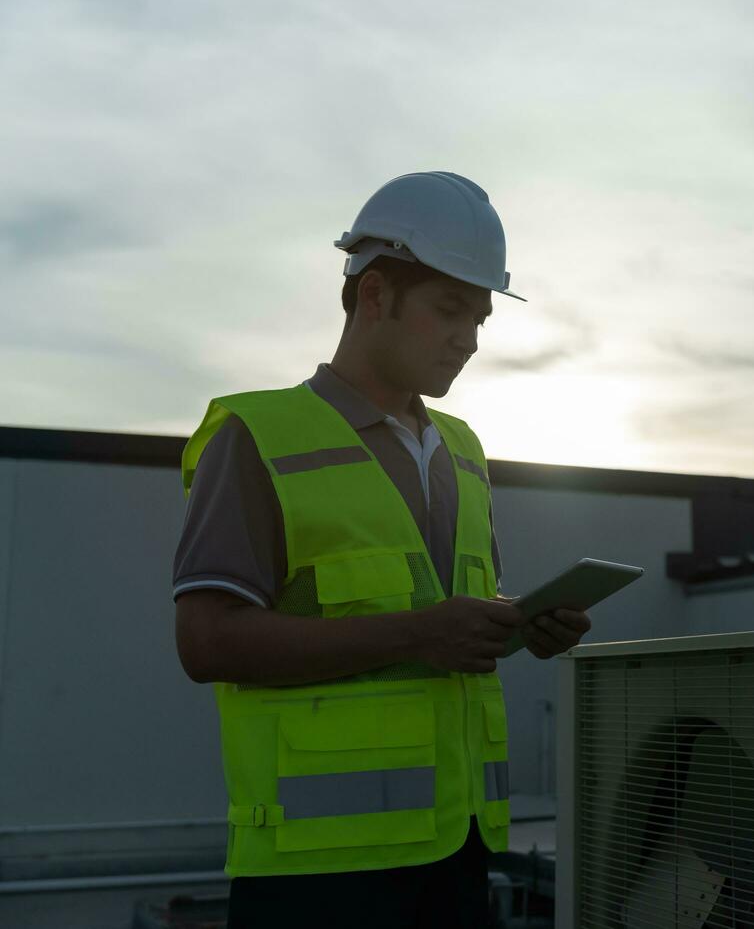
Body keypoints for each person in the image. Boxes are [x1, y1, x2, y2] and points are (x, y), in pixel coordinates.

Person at [172, 171, 591, 928]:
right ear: (373, 296)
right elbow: (205, 641)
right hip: (316, 880)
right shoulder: (257, 438)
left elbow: (437, 617)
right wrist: (421, 634)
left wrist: (517, 624)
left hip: (456, 861)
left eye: (480, 318)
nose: (468, 338)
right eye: (449, 309)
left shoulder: (462, 451)